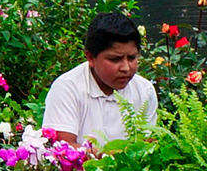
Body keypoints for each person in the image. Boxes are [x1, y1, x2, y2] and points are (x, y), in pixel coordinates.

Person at [41, 12, 157, 146]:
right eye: (115, 59)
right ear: (90, 58)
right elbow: (64, 150)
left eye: (132, 58)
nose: (126, 68)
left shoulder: (145, 91)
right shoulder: (67, 89)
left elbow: (147, 148)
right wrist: (118, 156)